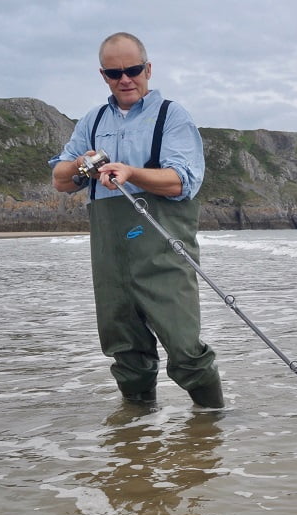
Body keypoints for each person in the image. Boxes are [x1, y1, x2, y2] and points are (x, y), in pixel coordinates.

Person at [50, 32, 223, 409]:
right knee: (125, 351)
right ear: (103, 76)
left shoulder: (172, 116)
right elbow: (61, 179)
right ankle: (137, 438)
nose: (125, 80)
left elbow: (182, 181)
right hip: (111, 256)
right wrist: (84, 164)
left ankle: (212, 427)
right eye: (115, 73)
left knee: (186, 348)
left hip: (163, 250)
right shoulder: (92, 121)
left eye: (133, 70)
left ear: (148, 68)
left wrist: (131, 172)